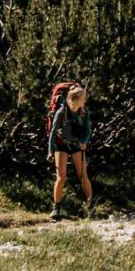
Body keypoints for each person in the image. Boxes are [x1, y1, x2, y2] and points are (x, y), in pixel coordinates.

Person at [48, 83, 93, 218]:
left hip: (77, 146)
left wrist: (84, 142)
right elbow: (53, 132)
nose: (85, 100)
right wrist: (50, 151)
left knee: (83, 175)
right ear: (76, 99)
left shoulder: (84, 113)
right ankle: (56, 209)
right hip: (61, 145)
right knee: (61, 177)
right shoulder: (61, 112)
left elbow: (87, 131)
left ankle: (90, 207)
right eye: (84, 98)